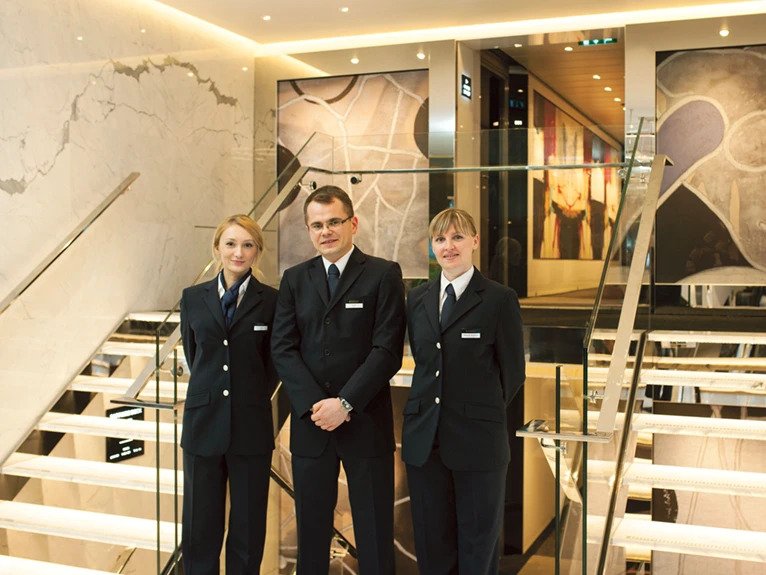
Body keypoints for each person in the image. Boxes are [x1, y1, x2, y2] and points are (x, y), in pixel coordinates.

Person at [271, 185, 406, 575]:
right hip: (312, 424)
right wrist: (318, 405)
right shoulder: (294, 279)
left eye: (333, 222)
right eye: (317, 225)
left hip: (364, 421)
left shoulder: (383, 274)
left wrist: (344, 403)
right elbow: (283, 348)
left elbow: (387, 350)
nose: (326, 231)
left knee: (375, 531)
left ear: (353, 223)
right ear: (309, 231)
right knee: (311, 532)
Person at [402, 208, 526, 575]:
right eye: (440, 239)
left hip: (478, 443)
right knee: (432, 547)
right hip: (426, 442)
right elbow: (426, 364)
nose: (448, 246)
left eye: (457, 237)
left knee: (477, 548)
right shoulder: (417, 299)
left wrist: (475, 412)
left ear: (474, 241)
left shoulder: (498, 299)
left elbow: (512, 374)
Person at [179, 214, 278, 575]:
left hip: (250, 427)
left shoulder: (273, 301)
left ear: (257, 252)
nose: (239, 252)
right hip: (202, 425)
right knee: (199, 527)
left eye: (248, 245)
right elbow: (196, 357)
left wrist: (245, 398)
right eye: (231, 244)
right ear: (217, 248)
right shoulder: (192, 298)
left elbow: (272, 365)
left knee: (248, 528)